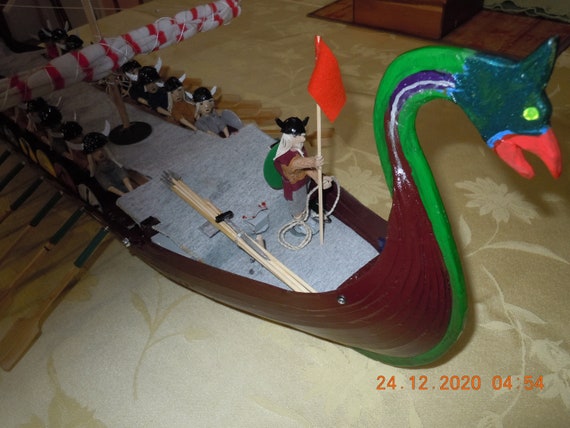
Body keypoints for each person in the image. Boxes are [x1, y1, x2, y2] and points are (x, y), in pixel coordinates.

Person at [273, 116, 332, 219]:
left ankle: (308, 207)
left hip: (304, 180)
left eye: (303, 135)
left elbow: (306, 169)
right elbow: (295, 164)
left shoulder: (300, 149)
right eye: (298, 136)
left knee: (307, 196)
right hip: (294, 186)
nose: (303, 139)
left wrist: (319, 178)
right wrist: (312, 161)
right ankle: (298, 219)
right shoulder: (283, 156)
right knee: (297, 205)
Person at [82, 132, 134, 196]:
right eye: (95, 151)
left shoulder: (112, 163)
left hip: (127, 187)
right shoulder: (98, 171)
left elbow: (122, 174)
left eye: (101, 148)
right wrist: (123, 195)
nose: (100, 152)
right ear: (91, 156)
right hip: (117, 193)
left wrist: (131, 190)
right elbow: (108, 185)